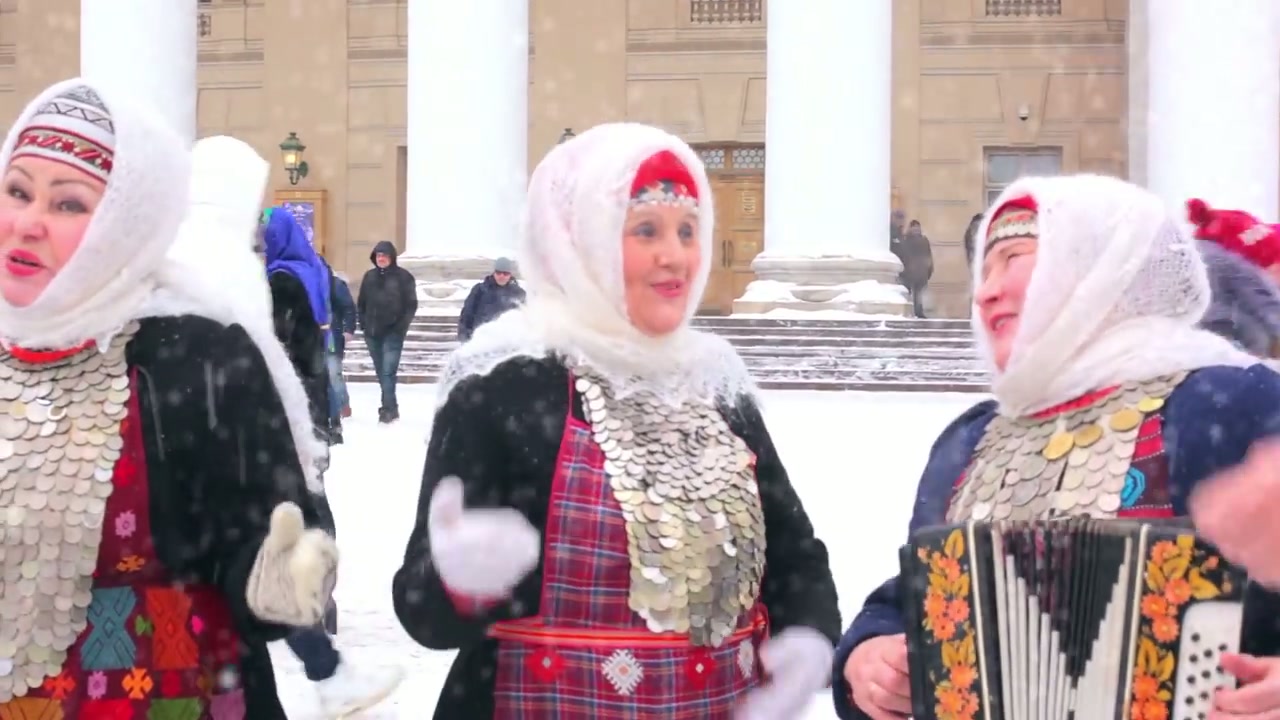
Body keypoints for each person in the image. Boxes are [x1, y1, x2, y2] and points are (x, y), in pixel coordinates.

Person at [391, 123, 841, 720]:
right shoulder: (500, 382)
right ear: (580, 240)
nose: (674, 256)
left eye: (688, 231)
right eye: (646, 230)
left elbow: (792, 552)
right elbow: (422, 607)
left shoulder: (717, 386)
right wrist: (460, 579)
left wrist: (808, 633)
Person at [833, 175, 1280, 720]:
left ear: (1095, 267)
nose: (985, 291)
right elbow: (918, 595)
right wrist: (869, 656)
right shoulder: (972, 438)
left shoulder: (1226, 403)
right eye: (983, 269)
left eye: (1013, 259)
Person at [0, 78, 340, 717]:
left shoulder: (195, 355)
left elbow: (267, 547)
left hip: (172, 692)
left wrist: (282, 576)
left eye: (67, 204)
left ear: (127, 223)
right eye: (17, 191)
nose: (27, 222)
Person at [260, 209, 402, 716]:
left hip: (287, 413)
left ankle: (307, 606)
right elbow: (315, 352)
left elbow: (280, 351)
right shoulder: (311, 271)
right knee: (311, 503)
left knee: (291, 509)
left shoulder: (280, 281)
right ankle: (320, 601)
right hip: (309, 408)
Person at [356, 240, 417, 423]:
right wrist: (364, 324)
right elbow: (362, 303)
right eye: (378, 255)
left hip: (393, 333)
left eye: (385, 255)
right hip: (372, 332)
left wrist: (400, 327)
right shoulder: (369, 277)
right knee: (381, 372)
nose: (381, 259)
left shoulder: (403, 277)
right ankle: (392, 406)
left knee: (388, 371)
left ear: (392, 257)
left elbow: (411, 305)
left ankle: (387, 410)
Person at [324, 260, 357, 443]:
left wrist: (348, 329)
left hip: (332, 337)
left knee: (333, 373)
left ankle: (342, 406)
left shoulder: (335, 285)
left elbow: (348, 308)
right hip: (315, 337)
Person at [457, 256, 526, 341]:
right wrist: (464, 338)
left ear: (510, 275)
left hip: (508, 342)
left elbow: (527, 319)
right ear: (494, 273)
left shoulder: (518, 293)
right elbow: (466, 315)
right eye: (498, 273)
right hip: (480, 341)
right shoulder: (480, 290)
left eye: (505, 274)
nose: (501, 276)